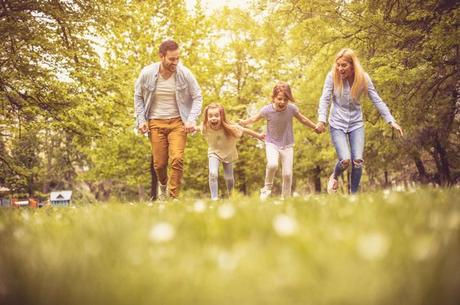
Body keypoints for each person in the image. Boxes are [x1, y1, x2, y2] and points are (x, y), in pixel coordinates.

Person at [315, 48, 404, 194]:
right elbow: (324, 99)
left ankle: (353, 197)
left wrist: (391, 121)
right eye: (338, 65)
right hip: (337, 123)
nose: (340, 69)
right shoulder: (332, 76)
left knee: (357, 161)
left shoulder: (363, 78)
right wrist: (321, 121)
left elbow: (377, 100)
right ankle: (335, 176)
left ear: (352, 65)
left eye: (343, 65)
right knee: (345, 160)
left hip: (356, 123)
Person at [134, 40, 202, 200]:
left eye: (178, 58)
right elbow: (138, 96)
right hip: (155, 123)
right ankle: (163, 186)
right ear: (161, 56)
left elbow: (197, 96)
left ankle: (173, 198)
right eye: (172, 59)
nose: (176, 62)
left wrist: (191, 119)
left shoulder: (184, 73)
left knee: (177, 159)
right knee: (159, 164)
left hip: (178, 123)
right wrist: (141, 119)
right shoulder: (147, 73)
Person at [240, 82, 318, 199]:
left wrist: (315, 126)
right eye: (279, 99)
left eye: (285, 99)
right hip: (272, 143)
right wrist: (244, 122)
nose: (282, 102)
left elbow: (303, 119)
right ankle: (266, 189)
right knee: (272, 164)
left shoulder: (292, 109)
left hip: (287, 145)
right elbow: (254, 118)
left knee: (287, 174)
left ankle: (285, 198)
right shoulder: (267, 110)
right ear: (273, 98)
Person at [196, 103, 264, 200]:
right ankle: (214, 199)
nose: (213, 118)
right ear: (207, 117)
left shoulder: (230, 127)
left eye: (216, 115)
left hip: (228, 153)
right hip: (214, 153)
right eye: (210, 116)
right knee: (213, 173)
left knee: (229, 178)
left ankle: (231, 197)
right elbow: (195, 128)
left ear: (221, 116)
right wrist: (188, 128)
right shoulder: (205, 127)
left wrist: (259, 136)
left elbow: (245, 130)